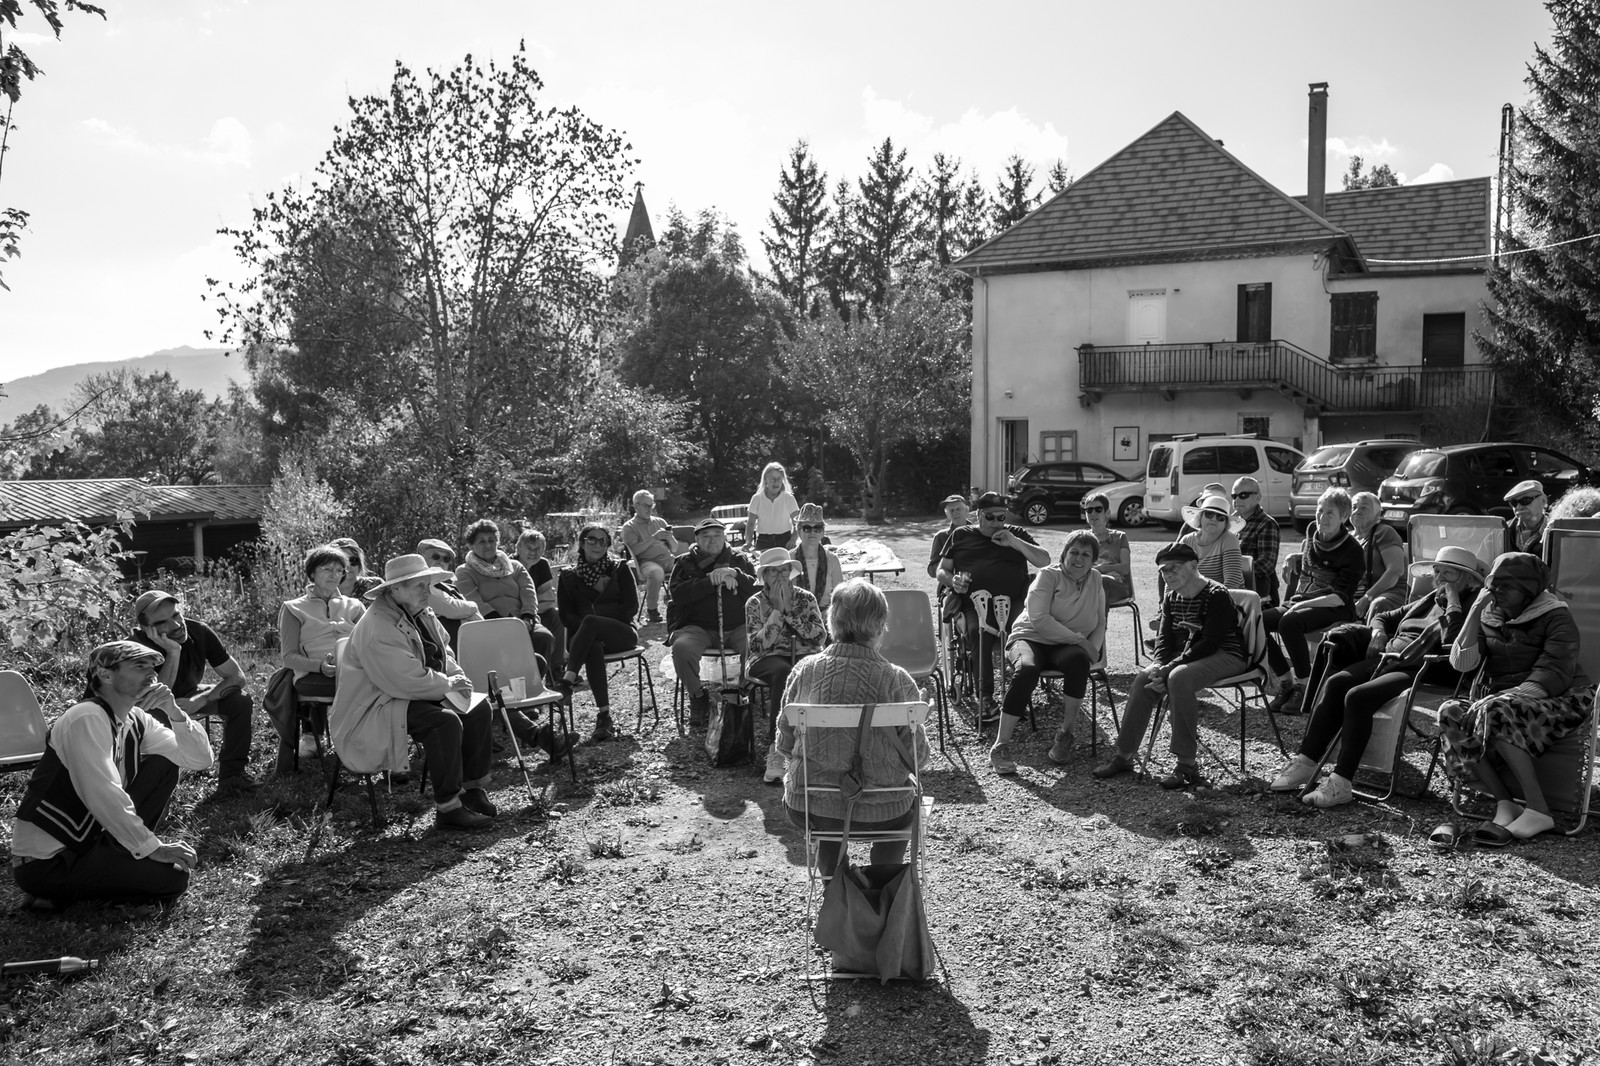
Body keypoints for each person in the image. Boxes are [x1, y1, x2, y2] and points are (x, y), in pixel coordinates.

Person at [1270, 545, 1486, 807]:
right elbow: (1384, 616)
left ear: (1467, 579)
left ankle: (1342, 781)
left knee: (1359, 696)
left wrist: (1452, 605)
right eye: (1437, 572)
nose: (1439, 579)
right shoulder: (1429, 599)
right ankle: (1307, 760)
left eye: (1448, 574)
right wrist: (1378, 634)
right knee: (1337, 682)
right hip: (1393, 658)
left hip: (1427, 668)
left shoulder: (1471, 608)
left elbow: (1452, 647)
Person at [11, 641, 213, 907]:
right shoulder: (86, 717)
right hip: (50, 861)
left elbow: (199, 760)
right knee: (173, 880)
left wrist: (174, 713)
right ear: (105, 675)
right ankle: (54, 898)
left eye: (153, 667)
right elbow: (103, 792)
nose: (152, 674)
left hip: (91, 842)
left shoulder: (137, 718)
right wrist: (154, 848)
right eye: (139, 666)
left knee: (164, 764)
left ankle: (119, 858)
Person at [331, 554, 498, 831]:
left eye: (427, 584)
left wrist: (457, 676)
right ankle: (448, 808)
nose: (427, 591)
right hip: (377, 703)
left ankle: (473, 790)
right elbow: (405, 680)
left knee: (478, 709)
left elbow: (443, 651)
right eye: (418, 585)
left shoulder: (420, 610)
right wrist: (449, 685)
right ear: (395, 589)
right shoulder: (377, 626)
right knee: (444, 722)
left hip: (412, 690)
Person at [775, 579, 931, 874]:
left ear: (833, 621)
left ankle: (834, 883)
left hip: (810, 807)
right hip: (885, 810)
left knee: (829, 804)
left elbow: (784, 746)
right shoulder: (897, 679)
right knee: (907, 802)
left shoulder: (804, 672)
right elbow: (919, 759)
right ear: (881, 625)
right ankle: (884, 880)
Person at [1439, 552, 1593, 844]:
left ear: (1529, 590)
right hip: (1504, 700)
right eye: (1493, 585)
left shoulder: (1556, 616)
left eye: (1505, 587)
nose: (1496, 592)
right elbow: (1462, 664)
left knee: (1497, 709)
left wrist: (1500, 698)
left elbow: (1554, 673)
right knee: (1450, 712)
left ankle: (1538, 809)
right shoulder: (1490, 614)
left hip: (1561, 699)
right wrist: (1474, 612)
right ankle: (1505, 801)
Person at [1092, 542, 1247, 790]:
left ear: (1194, 566)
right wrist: (1158, 664)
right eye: (1163, 571)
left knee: (1178, 678)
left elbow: (1210, 642)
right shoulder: (1172, 596)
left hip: (1226, 654)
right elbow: (1164, 639)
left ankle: (1187, 764)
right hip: (1184, 656)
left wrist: (1170, 667)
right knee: (1144, 678)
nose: (1168, 575)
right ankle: (1124, 756)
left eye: (1173, 568)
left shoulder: (1216, 594)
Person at [989, 531, 1107, 774]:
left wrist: (1091, 649)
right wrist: (1080, 641)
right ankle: (1000, 745)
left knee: (1078, 662)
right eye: (1073, 552)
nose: (1078, 558)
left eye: (1086, 554)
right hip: (1030, 637)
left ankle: (1066, 734)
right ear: (1064, 554)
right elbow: (1040, 619)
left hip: (1066, 646)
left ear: (1093, 561)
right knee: (1027, 670)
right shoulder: (1048, 576)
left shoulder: (1096, 579)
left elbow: (1100, 621)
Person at [130, 589, 257, 794]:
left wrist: (200, 700)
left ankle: (232, 776)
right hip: (149, 706)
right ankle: (157, 790)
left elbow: (237, 677)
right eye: (163, 622)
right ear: (146, 628)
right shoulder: (135, 648)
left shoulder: (199, 631)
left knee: (240, 700)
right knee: (153, 714)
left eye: (176, 614)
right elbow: (154, 696)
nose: (176, 625)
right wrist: (173, 652)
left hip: (189, 694)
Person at [936, 491, 1050, 715]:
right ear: (979, 515)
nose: (997, 523)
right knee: (978, 632)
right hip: (975, 601)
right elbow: (941, 570)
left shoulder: (1015, 533)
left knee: (1023, 633)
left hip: (1014, 600)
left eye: (1002, 517)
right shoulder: (961, 535)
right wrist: (953, 581)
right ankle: (986, 697)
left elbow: (1044, 560)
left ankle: (1020, 690)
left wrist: (1014, 542)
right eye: (991, 517)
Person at [1264, 488, 1365, 715]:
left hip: (1335, 606)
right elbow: (1314, 557)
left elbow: (1340, 597)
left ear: (1344, 517)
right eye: (1320, 511)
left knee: (1289, 623)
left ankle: (1304, 685)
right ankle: (1285, 681)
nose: (1322, 517)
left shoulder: (1353, 551)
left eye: (1330, 513)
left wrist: (1301, 605)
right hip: (1302, 602)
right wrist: (1295, 556)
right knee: (1256, 621)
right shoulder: (1312, 531)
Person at [278, 544, 366, 768]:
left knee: (381, 683)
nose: (334, 575)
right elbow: (288, 657)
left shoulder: (354, 606)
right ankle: (347, 741)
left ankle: (370, 744)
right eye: (327, 569)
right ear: (312, 573)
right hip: (311, 676)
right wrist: (320, 666)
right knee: (359, 688)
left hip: (351, 670)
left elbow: (369, 642)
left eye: (339, 571)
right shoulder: (293, 608)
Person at [746, 548, 827, 784]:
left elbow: (820, 637)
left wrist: (791, 612)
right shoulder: (755, 603)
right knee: (784, 672)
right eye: (773, 571)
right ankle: (777, 750)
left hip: (805, 655)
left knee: (813, 669)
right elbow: (757, 646)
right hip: (768, 659)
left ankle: (817, 749)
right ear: (764, 575)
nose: (780, 576)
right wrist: (776, 613)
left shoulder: (806, 598)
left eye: (784, 570)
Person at [667, 518, 759, 727]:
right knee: (682, 649)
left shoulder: (740, 560)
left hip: (738, 626)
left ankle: (741, 694)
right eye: (706, 537)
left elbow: (758, 590)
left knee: (755, 645)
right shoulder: (684, 562)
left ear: (724, 536)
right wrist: (710, 581)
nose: (712, 541)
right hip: (697, 627)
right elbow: (678, 595)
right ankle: (698, 696)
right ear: (697, 539)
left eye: (717, 535)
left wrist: (736, 574)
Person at [557, 524, 640, 742]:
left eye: (603, 541)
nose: (597, 544)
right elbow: (566, 615)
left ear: (608, 546)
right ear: (582, 543)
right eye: (591, 539)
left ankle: (567, 680)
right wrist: (588, 629)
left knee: (591, 621)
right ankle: (604, 716)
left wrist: (603, 621)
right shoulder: (568, 576)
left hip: (620, 632)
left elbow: (631, 607)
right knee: (591, 642)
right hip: (583, 639)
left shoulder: (619, 568)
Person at [455, 518, 556, 667]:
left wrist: (528, 618)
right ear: (471, 545)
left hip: (523, 621)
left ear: (498, 542)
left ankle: (534, 681)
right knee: (505, 644)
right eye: (481, 541)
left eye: (491, 540)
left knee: (544, 637)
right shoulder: (464, 571)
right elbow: (473, 601)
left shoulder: (514, 566)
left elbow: (528, 593)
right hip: (489, 625)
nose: (488, 545)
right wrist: (504, 625)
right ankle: (511, 683)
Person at [621, 490, 680, 624]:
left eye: (651, 505)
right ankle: (652, 610)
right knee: (656, 572)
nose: (650, 509)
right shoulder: (629, 527)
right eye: (646, 505)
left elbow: (675, 548)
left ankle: (684, 606)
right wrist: (653, 538)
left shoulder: (660, 522)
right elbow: (635, 550)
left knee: (687, 566)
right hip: (647, 562)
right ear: (636, 506)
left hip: (667, 558)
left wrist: (670, 538)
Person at [1350, 491, 1407, 622]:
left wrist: (1367, 597)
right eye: (1354, 507)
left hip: (1389, 592)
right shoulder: (1348, 537)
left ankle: (1372, 640)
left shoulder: (1384, 532)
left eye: (1363, 508)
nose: (1357, 511)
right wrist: (1298, 556)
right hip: (1357, 592)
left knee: (1378, 604)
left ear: (1377, 514)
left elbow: (1395, 571)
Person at [514, 528, 564, 677]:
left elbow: (549, 598)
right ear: (518, 548)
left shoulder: (541, 565)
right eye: (529, 548)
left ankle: (556, 670)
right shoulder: (510, 565)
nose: (533, 553)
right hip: (516, 615)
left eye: (538, 549)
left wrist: (532, 609)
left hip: (537, 612)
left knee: (556, 615)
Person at [416, 538, 482, 649]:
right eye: (435, 556)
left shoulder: (450, 588)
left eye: (446, 559)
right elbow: (450, 607)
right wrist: (474, 606)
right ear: (421, 559)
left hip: (470, 646)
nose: (441, 561)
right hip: (440, 653)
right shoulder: (419, 585)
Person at [1232, 476, 1281, 607]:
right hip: (1232, 587)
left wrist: (1232, 571)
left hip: (1259, 597)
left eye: (1243, 495)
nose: (1236, 499)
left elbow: (1267, 564)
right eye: (1234, 495)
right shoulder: (1229, 522)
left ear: (1258, 498)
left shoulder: (1267, 524)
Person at [1178, 492, 1244, 588]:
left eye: (1220, 517)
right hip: (1195, 596)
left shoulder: (1229, 539)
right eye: (1209, 514)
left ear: (1225, 524)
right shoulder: (1186, 541)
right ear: (1200, 517)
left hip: (1227, 597)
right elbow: (1176, 574)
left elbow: (1232, 582)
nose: (1214, 519)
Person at [790, 502, 844, 612]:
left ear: (823, 532)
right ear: (798, 530)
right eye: (807, 528)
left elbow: (839, 598)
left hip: (826, 617)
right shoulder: (788, 559)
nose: (812, 532)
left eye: (818, 528)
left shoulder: (832, 559)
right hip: (795, 617)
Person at [1083, 491, 1131, 603]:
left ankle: (1100, 621)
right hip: (1088, 584)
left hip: (1116, 585)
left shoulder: (1120, 537)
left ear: (1107, 513)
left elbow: (1125, 568)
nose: (1093, 514)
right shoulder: (1081, 539)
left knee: (1101, 582)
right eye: (1089, 510)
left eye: (1098, 509)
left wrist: (1101, 569)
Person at [746, 461, 800, 552]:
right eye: (772, 479)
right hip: (763, 541)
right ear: (765, 479)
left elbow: (798, 522)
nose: (776, 482)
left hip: (785, 540)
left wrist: (793, 539)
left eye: (779, 479)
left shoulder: (788, 498)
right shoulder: (756, 498)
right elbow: (750, 523)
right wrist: (748, 542)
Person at [928, 494, 971, 580]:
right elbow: (931, 570)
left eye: (958, 509)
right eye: (951, 510)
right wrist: (949, 563)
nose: (955, 513)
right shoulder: (941, 536)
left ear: (966, 510)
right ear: (947, 515)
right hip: (949, 586)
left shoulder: (978, 533)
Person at [1503, 480, 1549, 554]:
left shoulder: (1556, 532)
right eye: (1514, 503)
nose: (1518, 507)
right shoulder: (1502, 531)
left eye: (1525, 500)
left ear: (1543, 501)